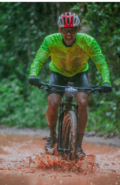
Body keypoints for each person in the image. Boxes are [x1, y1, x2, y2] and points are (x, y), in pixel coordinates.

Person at [28, 12, 112, 158]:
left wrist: (106, 81)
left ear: (77, 30)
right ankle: (52, 135)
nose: (69, 34)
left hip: (79, 75)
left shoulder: (88, 41)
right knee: (53, 102)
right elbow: (38, 60)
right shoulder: (50, 41)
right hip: (58, 74)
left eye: (72, 30)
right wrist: (33, 75)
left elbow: (101, 63)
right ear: (60, 30)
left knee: (83, 102)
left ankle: (78, 145)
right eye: (65, 30)